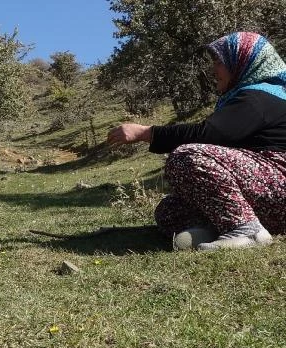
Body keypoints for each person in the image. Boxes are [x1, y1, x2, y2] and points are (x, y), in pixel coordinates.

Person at [107, 31, 286, 250]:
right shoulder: (255, 96)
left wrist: (145, 132)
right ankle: (224, 228)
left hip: (278, 187)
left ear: (240, 62)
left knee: (188, 156)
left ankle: (248, 232)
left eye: (218, 62)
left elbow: (208, 134)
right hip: (269, 197)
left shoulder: (259, 97)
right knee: (169, 210)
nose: (213, 70)